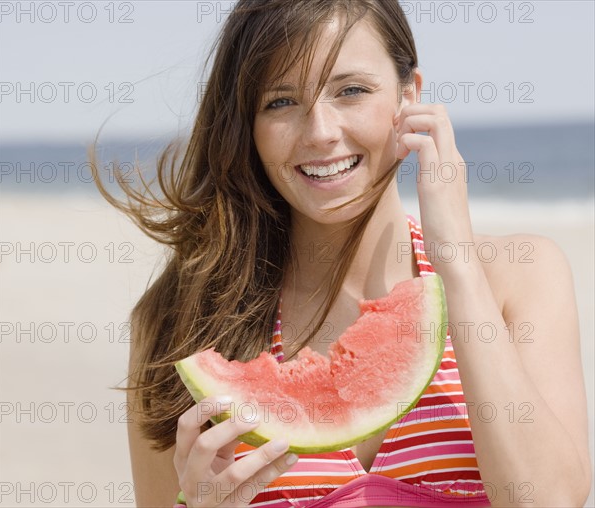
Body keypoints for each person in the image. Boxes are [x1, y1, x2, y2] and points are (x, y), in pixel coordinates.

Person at [91, 1, 591, 506]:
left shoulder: (520, 276)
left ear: (409, 95)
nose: (321, 132)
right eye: (281, 102)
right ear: (248, 126)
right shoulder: (179, 324)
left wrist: (456, 263)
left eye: (351, 91)